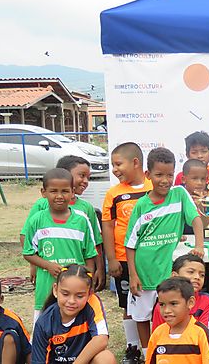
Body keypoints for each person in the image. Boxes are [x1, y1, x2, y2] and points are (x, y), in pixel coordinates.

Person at [124, 147, 205, 354]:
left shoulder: (179, 195)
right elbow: (131, 243)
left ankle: (168, 349)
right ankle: (146, 352)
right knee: (142, 317)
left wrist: (199, 245)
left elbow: (195, 219)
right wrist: (133, 274)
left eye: (170, 175)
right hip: (145, 272)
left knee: (170, 312)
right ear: (147, 175)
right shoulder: (141, 206)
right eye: (159, 175)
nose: (165, 180)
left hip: (168, 274)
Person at [22, 168, 97, 323]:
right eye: (53, 191)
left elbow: (90, 255)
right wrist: (47, 265)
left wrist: (88, 279)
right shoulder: (37, 220)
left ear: (72, 192)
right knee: (44, 327)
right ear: (43, 192)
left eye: (65, 191)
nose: (59, 196)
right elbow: (28, 252)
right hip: (46, 287)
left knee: (77, 329)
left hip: (75, 290)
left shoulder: (82, 221)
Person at [21, 155, 105, 291]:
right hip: (48, 278)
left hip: (77, 278)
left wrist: (99, 269)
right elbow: (27, 239)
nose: (85, 181)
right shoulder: (41, 207)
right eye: (82, 175)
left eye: (88, 177)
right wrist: (36, 265)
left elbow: (95, 243)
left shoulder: (86, 209)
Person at [100, 142, 153, 352]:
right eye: (112, 165)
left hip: (151, 258)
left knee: (154, 304)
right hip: (123, 258)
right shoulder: (114, 194)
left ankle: (154, 346)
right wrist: (111, 259)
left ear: (136, 162)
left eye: (118, 164)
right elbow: (108, 226)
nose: (114, 169)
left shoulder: (153, 188)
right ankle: (133, 347)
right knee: (129, 304)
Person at [32, 264, 116, 364]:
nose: (71, 301)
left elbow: (101, 339)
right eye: (65, 294)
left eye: (79, 296)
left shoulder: (92, 303)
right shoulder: (43, 323)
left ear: (89, 294)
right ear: (55, 290)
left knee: (106, 358)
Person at [146, 277, 209, 364]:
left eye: (173, 303)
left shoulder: (201, 333)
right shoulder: (158, 334)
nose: (166, 310)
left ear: (190, 302)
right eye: (162, 304)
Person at [151, 254, 209, 333]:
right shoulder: (162, 304)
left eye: (202, 275)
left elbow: (207, 333)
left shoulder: (206, 300)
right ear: (174, 276)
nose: (197, 277)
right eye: (191, 272)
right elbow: (157, 335)